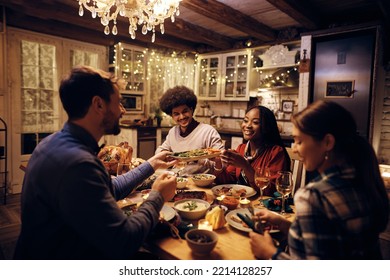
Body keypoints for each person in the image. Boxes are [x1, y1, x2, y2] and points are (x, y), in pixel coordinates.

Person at [14, 66, 177, 260]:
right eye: (118, 103)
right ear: (98, 105)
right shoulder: (78, 164)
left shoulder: (52, 142)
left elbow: (109, 188)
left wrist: (151, 164)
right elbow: (124, 241)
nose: (122, 111)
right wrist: (157, 196)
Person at [249, 100, 389, 259]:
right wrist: (285, 224)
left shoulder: (314, 196)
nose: (294, 148)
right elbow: (331, 242)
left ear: (327, 142)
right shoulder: (364, 180)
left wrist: (270, 253)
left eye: (299, 141)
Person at [214, 105, 290, 196]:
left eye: (255, 122)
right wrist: (218, 163)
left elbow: (271, 191)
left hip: (263, 206)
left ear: (266, 127)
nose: (248, 126)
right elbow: (228, 181)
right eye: (245, 121)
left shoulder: (276, 152)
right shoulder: (241, 148)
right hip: (243, 203)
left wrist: (245, 166)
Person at [155, 85, 224, 173]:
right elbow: (159, 151)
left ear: (191, 109)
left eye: (185, 111)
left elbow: (222, 162)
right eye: (176, 114)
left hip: (200, 183)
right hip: (178, 179)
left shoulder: (208, 131)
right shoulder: (173, 132)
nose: (182, 117)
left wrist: (197, 159)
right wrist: (166, 154)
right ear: (171, 116)